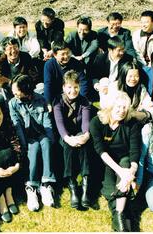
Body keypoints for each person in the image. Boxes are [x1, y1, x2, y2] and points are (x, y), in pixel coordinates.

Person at [89, 91, 141, 231]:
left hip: (125, 162)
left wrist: (130, 173)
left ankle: (120, 223)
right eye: (118, 107)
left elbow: (135, 151)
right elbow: (101, 151)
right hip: (105, 163)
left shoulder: (132, 124)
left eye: (125, 107)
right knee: (112, 192)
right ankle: (124, 222)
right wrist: (122, 174)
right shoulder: (96, 122)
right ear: (110, 107)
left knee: (123, 181)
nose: (122, 111)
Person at [9, 75, 56, 212]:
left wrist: (50, 138)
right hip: (26, 137)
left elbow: (47, 121)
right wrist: (24, 146)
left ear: (26, 90)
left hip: (41, 133)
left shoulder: (41, 99)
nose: (14, 93)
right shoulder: (13, 103)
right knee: (33, 148)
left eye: (16, 90)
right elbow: (17, 126)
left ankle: (46, 183)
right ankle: (31, 186)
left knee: (46, 143)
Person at [53, 70, 91, 209]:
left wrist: (86, 135)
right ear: (64, 87)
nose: (72, 90)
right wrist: (68, 139)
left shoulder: (84, 101)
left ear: (79, 87)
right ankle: (73, 185)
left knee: (85, 144)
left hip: (79, 132)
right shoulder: (58, 101)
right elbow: (59, 124)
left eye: (75, 87)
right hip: (65, 134)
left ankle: (86, 185)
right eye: (69, 87)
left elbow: (86, 122)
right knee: (68, 146)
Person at [0, 37, 38, 106]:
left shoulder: (26, 57)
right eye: (10, 49)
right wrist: (12, 84)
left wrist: (23, 84)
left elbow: (33, 74)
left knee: (41, 87)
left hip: (25, 87)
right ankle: (11, 107)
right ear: (5, 51)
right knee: (1, 88)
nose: (13, 51)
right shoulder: (0, 61)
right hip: (10, 88)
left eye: (15, 48)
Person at [44, 41, 89, 112]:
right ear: (55, 55)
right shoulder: (49, 65)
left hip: (73, 93)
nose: (66, 56)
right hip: (57, 95)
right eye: (63, 54)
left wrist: (82, 99)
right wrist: (48, 103)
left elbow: (83, 82)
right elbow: (48, 84)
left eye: (68, 53)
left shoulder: (76, 63)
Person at [90, 37, 133, 101]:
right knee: (104, 80)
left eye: (123, 49)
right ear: (110, 50)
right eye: (119, 50)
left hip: (119, 85)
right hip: (104, 85)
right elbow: (94, 76)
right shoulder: (100, 59)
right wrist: (98, 86)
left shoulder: (128, 59)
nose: (122, 53)